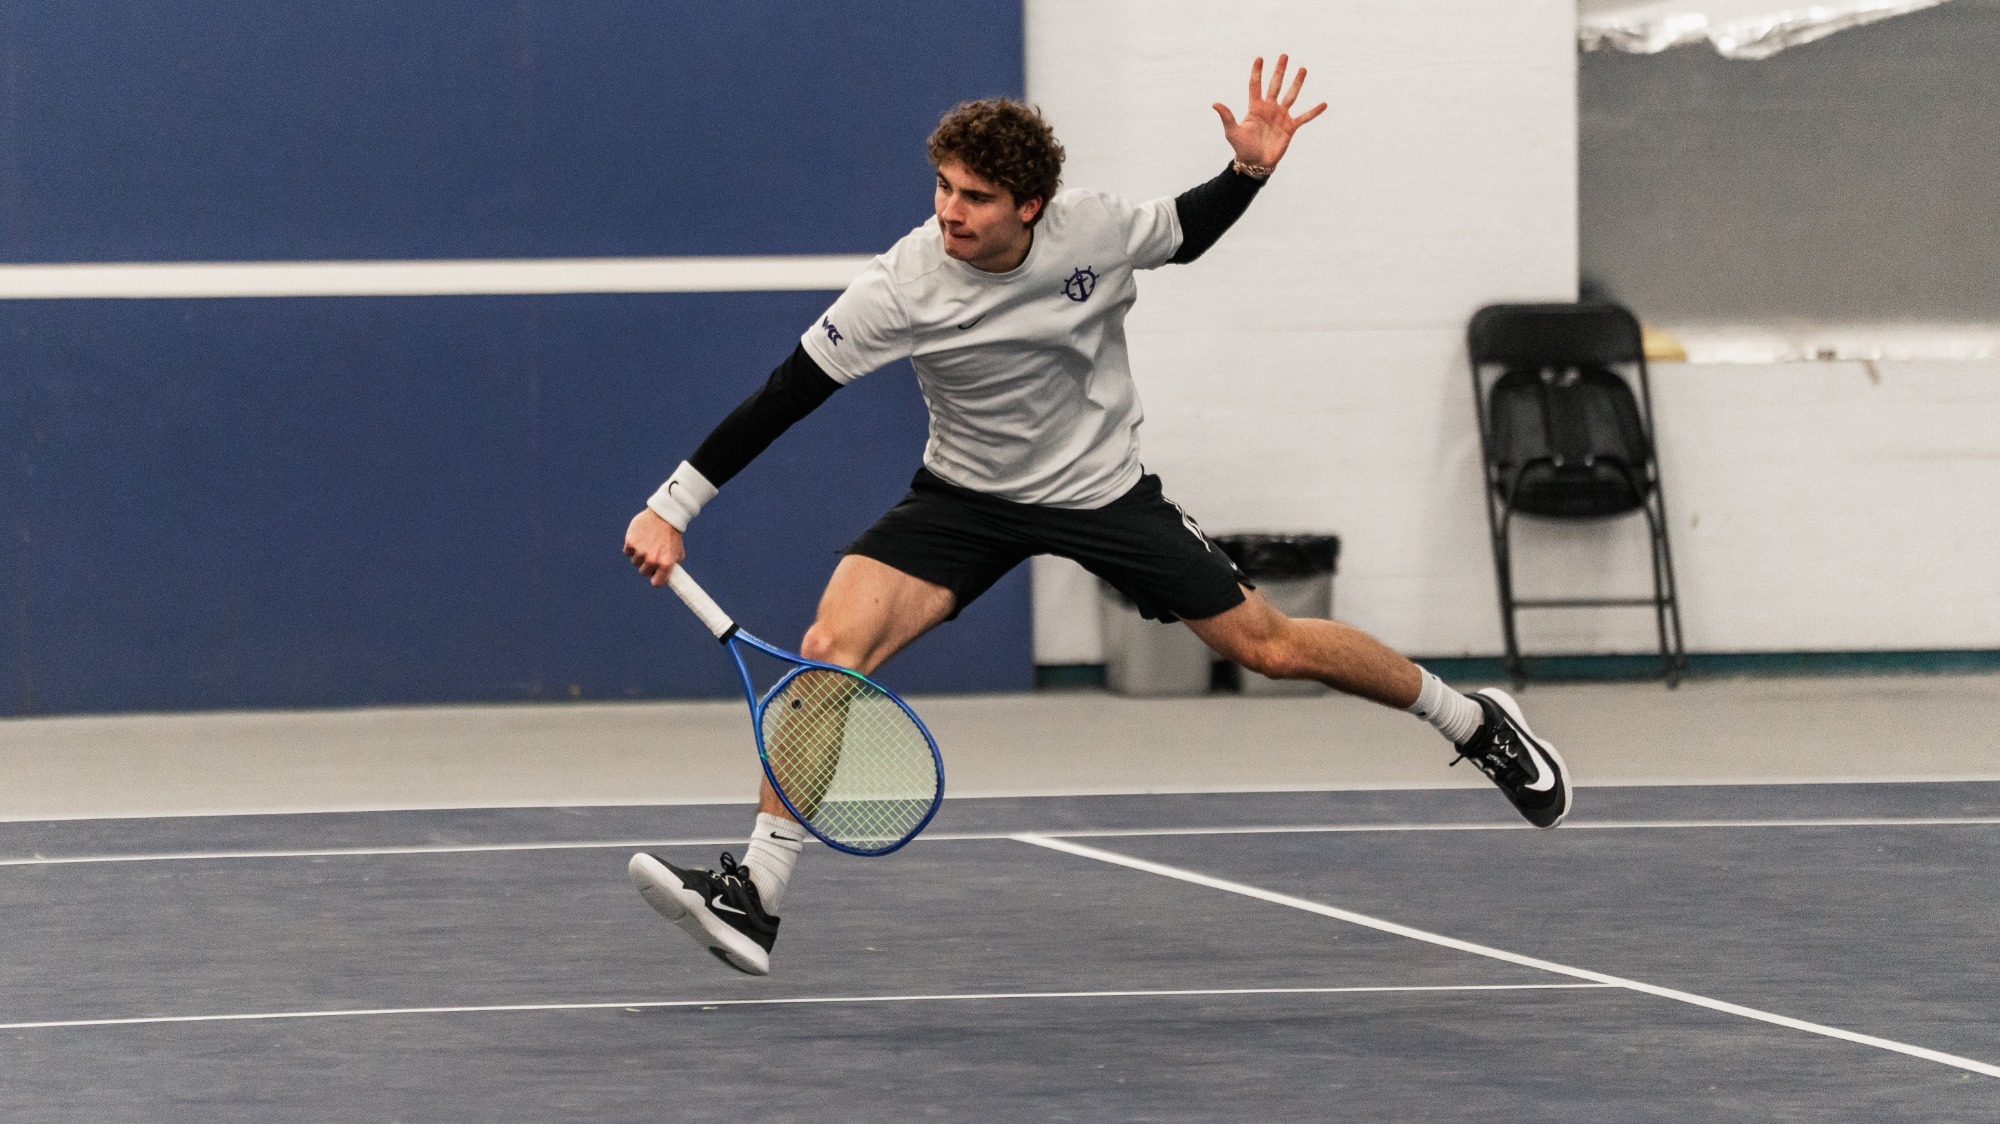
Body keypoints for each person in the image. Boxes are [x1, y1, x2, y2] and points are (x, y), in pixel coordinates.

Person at [622, 56, 1571, 977]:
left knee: (1269, 646)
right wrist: (675, 503)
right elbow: (789, 393)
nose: (950, 210)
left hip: (1101, 490)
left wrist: (1247, 170)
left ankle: (1473, 719)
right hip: (965, 497)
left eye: (975, 197)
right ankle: (756, 892)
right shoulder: (902, 284)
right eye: (944, 188)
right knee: (832, 647)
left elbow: (1186, 231)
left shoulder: (1094, 230)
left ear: (1028, 206)